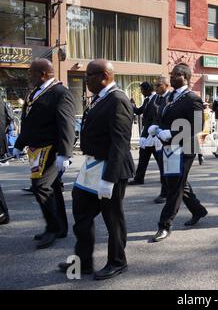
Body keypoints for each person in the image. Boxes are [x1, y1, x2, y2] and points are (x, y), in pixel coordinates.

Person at [58, 59, 135, 280]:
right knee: (81, 212)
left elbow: (120, 142)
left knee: (113, 217)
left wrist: (109, 179)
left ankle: (118, 261)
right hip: (92, 166)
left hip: (111, 168)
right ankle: (83, 261)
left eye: (89, 75)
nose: (85, 79)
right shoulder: (101, 98)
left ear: (104, 76)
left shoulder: (117, 99)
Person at [12, 58, 75, 249]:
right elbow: (28, 122)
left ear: (43, 74)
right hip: (35, 149)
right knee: (52, 188)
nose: (29, 76)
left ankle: (53, 228)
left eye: (31, 72)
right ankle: (61, 227)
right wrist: (19, 143)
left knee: (40, 187)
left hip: (51, 149)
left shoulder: (60, 93)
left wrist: (65, 153)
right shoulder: (34, 93)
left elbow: (66, 124)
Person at [148, 63, 208, 242]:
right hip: (168, 147)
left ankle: (164, 225)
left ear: (185, 77)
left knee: (174, 185)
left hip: (185, 147)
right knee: (179, 182)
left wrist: (174, 133)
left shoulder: (192, 98)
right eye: (171, 74)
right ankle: (198, 210)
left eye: (175, 75)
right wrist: (155, 128)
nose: (171, 77)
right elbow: (162, 117)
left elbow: (197, 125)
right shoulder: (171, 97)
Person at [142, 77, 172, 204]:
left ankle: (166, 193)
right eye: (155, 85)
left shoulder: (172, 98)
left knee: (166, 167)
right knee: (163, 166)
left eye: (159, 85)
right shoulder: (154, 98)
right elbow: (149, 117)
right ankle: (168, 192)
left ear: (166, 85)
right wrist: (145, 134)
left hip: (168, 137)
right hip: (155, 135)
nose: (156, 87)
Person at [128, 82, 156, 185]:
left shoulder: (156, 99)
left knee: (160, 160)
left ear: (147, 89)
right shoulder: (147, 100)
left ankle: (166, 180)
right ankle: (139, 178)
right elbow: (140, 111)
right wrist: (131, 106)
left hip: (154, 134)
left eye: (142, 90)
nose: (141, 92)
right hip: (145, 134)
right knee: (143, 156)